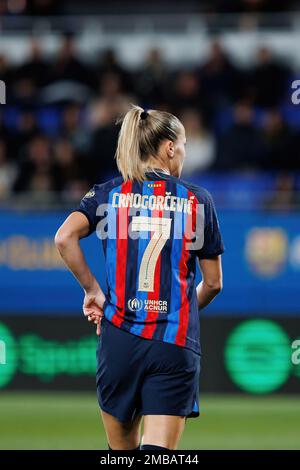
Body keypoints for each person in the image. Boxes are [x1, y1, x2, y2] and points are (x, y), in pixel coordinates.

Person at [55, 104, 224, 451]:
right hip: (172, 343)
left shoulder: (107, 194)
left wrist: (92, 291)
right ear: (169, 147)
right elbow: (213, 283)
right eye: (185, 145)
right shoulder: (197, 201)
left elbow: (63, 238)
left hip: (119, 339)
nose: (185, 154)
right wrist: (181, 309)